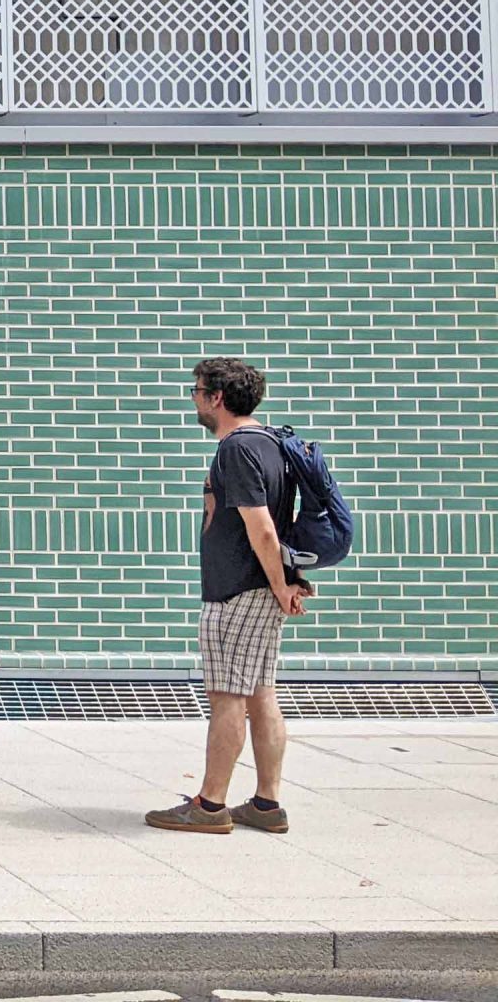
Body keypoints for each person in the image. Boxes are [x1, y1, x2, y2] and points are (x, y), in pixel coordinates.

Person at [148, 358, 311, 836]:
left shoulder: (237, 450)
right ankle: (266, 804)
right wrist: (284, 581)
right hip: (260, 588)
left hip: (237, 591)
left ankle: (211, 805)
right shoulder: (274, 445)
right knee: (261, 694)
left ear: (217, 397)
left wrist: (282, 584)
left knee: (227, 698)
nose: (195, 400)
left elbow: (261, 527)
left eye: (197, 391)